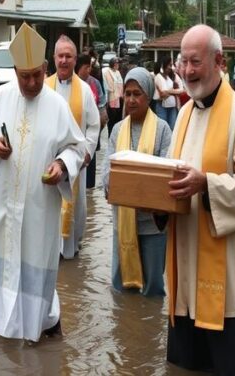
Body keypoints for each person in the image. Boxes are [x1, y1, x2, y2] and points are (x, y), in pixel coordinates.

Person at [0, 23, 85, 341]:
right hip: (3, 206)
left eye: (36, 75)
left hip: (38, 208)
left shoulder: (57, 105)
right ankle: (0, 329)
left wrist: (61, 165)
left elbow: (77, 148)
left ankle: (39, 326)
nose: (32, 83)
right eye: (25, 77)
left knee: (35, 267)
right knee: (1, 264)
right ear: (15, 72)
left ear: (45, 68)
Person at [163, 25, 235, 375]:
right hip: (184, 278)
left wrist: (206, 184)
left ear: (219, 61)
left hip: (227, 280)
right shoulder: (183, 114)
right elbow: (174, 177)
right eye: (183, 61)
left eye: (196, 62)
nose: (187, 70)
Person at [102, 67, 172, 297]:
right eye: (128, 93)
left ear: (149, 96)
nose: (131, 100)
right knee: (120, 288)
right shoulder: (117, 130)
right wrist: (112, 186)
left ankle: (148, 321)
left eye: (137, 94)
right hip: (122, 221)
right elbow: (108, 169)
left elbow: (167, 170)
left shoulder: (162, 129)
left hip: (152, 223)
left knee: (154, 288)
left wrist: (142, 193)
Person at [47, 36, 100, 260]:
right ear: (54, 58)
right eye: (60, 56)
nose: (64, 60)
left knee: (75, 207)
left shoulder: (85, 90)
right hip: (48, 160)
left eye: (68, 56)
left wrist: (87, 153)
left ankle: (71, 249)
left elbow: (94, 125)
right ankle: (50, 248)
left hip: (76, 162)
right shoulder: (44, 87)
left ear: (75, 59)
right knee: (49, 205)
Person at [79, 54, 106, 190]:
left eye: (90, 67)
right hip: (78, 130)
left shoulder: (95, 83)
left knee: (90, 161)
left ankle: (89, 192)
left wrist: (102, 118)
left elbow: (101, 103)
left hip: (92, 130)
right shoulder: (73, 84)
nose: (89, 70)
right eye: (86, 67)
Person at [155, 56, 183, 130]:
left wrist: (169, 91)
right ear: (163, 65)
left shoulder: (171, 76)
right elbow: (163, 94)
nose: (171, 67)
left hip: (172, 106)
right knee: (163, 129)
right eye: (169, 65)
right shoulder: (158, 77)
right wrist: (174, 92)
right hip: (162, 107)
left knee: (173, 128)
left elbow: (182, 90)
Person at [102, 57, 124, 135]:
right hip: (111, 98)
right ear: (113, 64)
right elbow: (107, 86)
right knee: (111, 118)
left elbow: (120, 83)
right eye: (116, 63)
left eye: (118, 63)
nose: (118, 65)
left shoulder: (118, 72)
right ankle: (110, 134)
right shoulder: (106, 72)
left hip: (118, 98)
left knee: (117, 118)